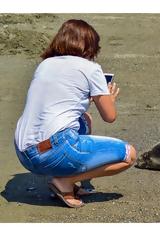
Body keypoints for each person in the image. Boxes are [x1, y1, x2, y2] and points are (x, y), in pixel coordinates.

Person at [14, 19, 137, 208]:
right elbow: (110, 117)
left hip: (23, 152)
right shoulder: (91, 69)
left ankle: (65, 176)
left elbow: (62, 102)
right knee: (128, 155)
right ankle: (66, 181)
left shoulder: (45, 64)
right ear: (89, 46)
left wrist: (84, 98)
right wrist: (109, 100)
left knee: (84, 120)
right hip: (52, 151)